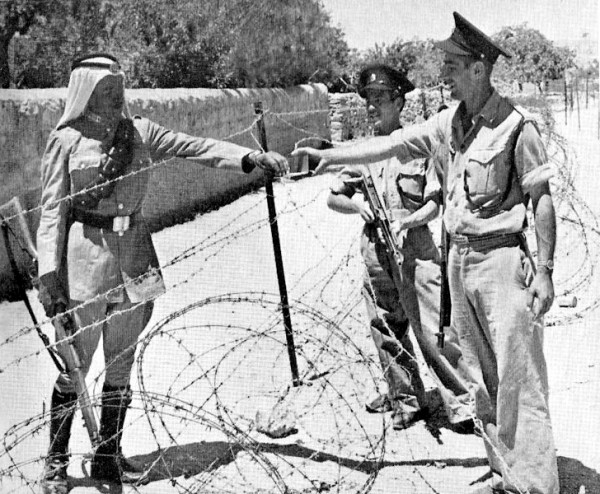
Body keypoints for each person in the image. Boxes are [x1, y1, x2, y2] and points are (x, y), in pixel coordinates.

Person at [294, 12, 558, 494]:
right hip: (459, 261)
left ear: (478, 69)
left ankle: (536, 485)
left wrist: (545, 271)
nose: (445, 74)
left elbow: (541, 201)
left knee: (519, 377)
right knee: (481, 378)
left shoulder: (517, 127)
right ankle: (503, 471)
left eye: (453, 65)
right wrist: (329, 156)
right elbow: (388, 145)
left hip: (501, 261)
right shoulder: (446, 124)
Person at [36, 53, 288, 493]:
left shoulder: (141, 132)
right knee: (73, 366)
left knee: (120, 365)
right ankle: (56, 463)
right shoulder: (66, 140)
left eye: (118, 88)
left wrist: (248, 157)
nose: (115, 96)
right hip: (84, 265)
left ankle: (108, 457)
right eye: (105, 89)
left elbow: (197, 147)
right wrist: (48, 275)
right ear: (86, 91)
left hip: (136, 259)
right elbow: (52, 215)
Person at [327, 65, 473, 431]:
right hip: (377, 252)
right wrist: (357, 206)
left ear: (399, 101)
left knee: (434, 331)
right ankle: (406, 399)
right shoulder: (364, 150)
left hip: (416, 252)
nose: (372, 107)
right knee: (386, 329)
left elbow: (437, 202)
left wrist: (407, 221)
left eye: (379, 99)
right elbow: (333, 198)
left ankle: (462, 404)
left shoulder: (420, 144)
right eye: (368, 101)